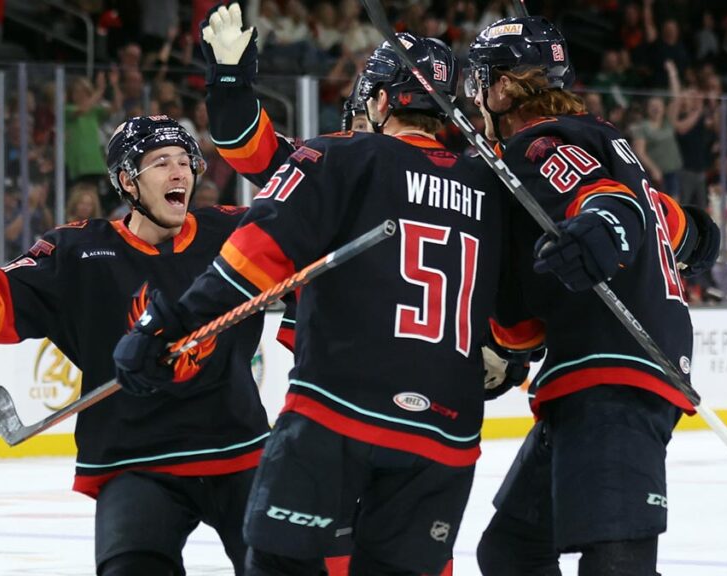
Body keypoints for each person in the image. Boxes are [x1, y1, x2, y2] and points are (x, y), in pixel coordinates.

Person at [115, 32, 529, 576]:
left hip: (339, 411)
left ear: (380, 102)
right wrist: (510, 353)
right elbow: (521, 308)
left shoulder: (339, 156)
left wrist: (176, 322)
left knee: (282, 564)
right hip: (444, 432)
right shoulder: (493, 186)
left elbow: (253, 249)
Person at [0, 116, 275, 576]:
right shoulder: (78, 252)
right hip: (135, 459)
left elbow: (315, 244)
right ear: (127, 182)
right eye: (160, 164)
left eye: (184, 163)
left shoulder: (234, 230)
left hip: (239, 449)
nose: (179, 174)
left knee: (290, 566)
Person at [465, 16, 716, 576]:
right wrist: (506, 349)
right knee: (512, 549)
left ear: (504, 87)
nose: (475, 97)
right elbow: (672, 226)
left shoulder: (537, 144)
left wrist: (608, 229)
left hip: (614, 372)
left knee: (615, 562)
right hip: (603, 374)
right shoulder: (601, 142)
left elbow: (606, 206)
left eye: (481, 81)